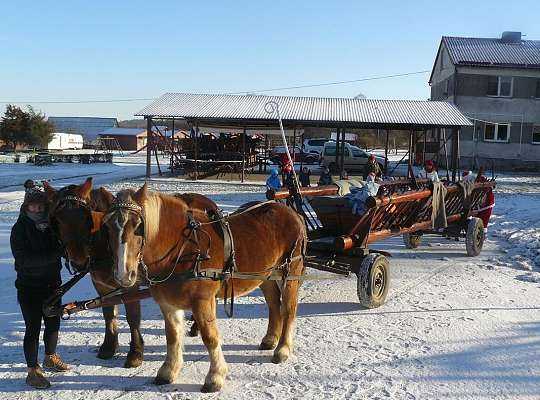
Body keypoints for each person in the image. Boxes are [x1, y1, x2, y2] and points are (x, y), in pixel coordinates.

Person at [10, 185, 69, 389]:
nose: (37, 210)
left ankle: (50, 357)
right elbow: (24, 260)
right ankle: (32, 371)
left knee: (53, 324)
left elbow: (62, 246)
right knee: (32, 328)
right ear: (26, 208)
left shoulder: (52, 226)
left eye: (40, 206)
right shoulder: (19, 229)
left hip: (52, 285)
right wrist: (54, 255)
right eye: (32, 207)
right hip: (29, 288)